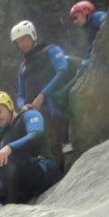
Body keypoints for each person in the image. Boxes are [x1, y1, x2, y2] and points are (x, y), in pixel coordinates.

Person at [0, 91, 62, 213]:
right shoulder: (5, 137)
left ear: (9, 105)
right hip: (19, 183)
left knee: (10, 157)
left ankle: (12, 204)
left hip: (42, 170)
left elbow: (36, 134)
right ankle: (3, 211)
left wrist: (10, 147)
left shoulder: (29, 115)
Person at [11, 20, 70, 164]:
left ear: (32, 36)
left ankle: (66, 148)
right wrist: (23, 106)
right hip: (33, 112)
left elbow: (62, 70)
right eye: (18, 42)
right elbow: (20, 95)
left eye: (24, 39)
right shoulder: (23, 67)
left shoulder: (50, 50)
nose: (21, 44)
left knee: (56, 138)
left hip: (53, 103)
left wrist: (43, 95)